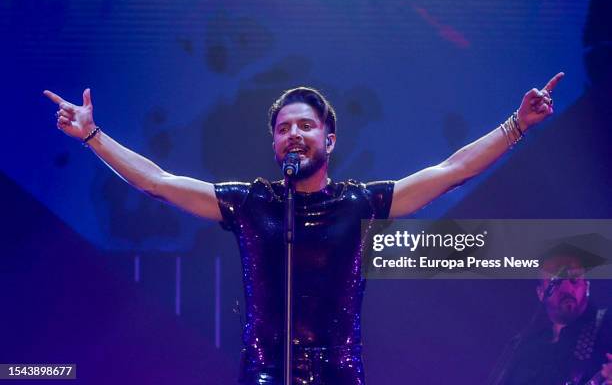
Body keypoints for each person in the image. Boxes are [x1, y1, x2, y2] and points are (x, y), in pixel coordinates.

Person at [45, 73, 564, 384]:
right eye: (283, 128)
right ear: (274, 144)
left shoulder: (360, 203)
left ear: (329, 139)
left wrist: (516, 125)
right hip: (265, 373)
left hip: (341, 374)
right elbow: (158, 182)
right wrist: (92, 135)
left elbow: (453, 172)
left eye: (305, 125)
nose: (294, 134)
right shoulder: (251, 203)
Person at [500, 245, 612, 385]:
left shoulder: (608, 324)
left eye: (574, 279)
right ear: (541, 293)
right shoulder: (526, 347)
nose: (566, 288)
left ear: (587, 287)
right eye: (556, 281)